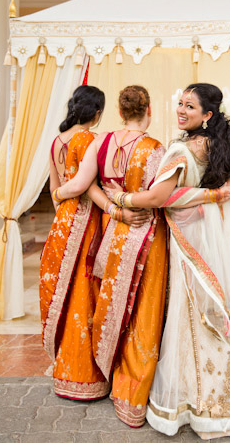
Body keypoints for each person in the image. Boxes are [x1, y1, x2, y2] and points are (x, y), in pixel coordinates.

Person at [104, 83, 230, 438]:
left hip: (194, 239)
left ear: (207, 115)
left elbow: (157, 197)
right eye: (180, 104)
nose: (182, 111)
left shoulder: (182, 150)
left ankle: (199, 402)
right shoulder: (228, 143)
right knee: (224, 305)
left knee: (195, 313)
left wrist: (121, 199)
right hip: (222, 234)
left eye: (190, 107)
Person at [54, 85, 167, 425]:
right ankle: (131, 393)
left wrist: (114, 210)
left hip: (112, 230)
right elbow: (159, 198)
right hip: (146, 231)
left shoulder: (101, 142)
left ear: (119, 112)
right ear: (149, 110)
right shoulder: (156, 148)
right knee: (143, 310)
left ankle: (108, 377)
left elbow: (87, 184)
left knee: (112, 302)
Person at [40, 85, 110, 399]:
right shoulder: (92, 140)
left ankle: (64, 366)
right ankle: (83, 373)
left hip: (63, 221)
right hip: (86, 220)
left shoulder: (57, 141)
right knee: (84, 293)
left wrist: (61, 205)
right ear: (96, 113)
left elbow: (55, 185)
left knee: (65, 294)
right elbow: (82, 185)